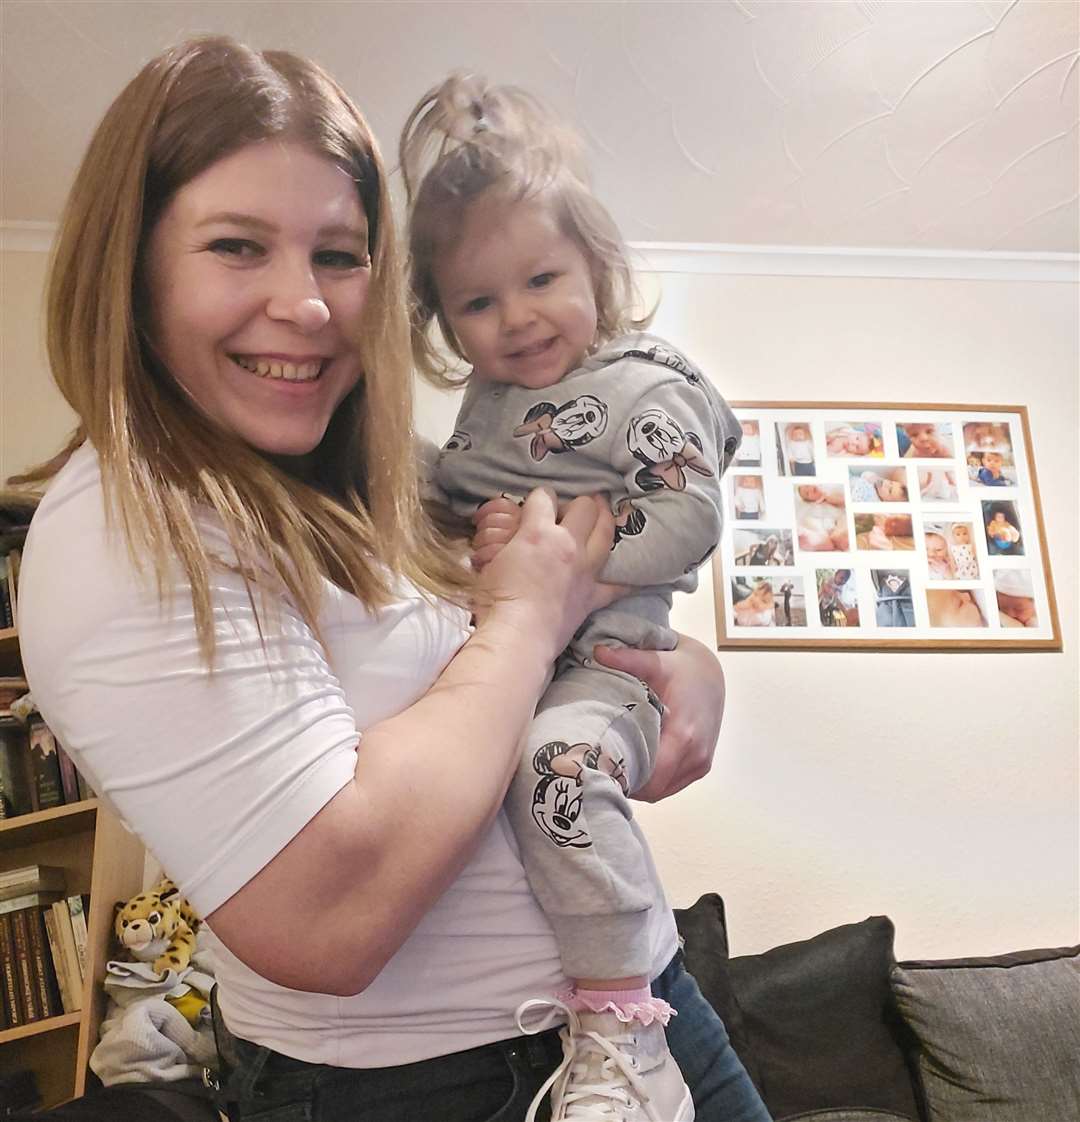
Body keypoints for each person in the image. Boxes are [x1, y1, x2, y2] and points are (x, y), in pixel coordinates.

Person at [10, 38, 766, 1122]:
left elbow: (511, 618)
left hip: (638, 1014)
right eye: (236, 246)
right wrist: (527, 615)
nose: (306, 305)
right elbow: (329, 917)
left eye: (338, 254)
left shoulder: (360, 480)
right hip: (438, 1084)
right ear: (129, 268)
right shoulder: (122, 527)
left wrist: (678, 661)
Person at [400, 74, 761, 1122]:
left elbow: (687, 512)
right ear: (443, 320)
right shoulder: (490, 412)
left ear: (596, 268)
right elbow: (442, 501)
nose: (515, 320)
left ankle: (621, 1021)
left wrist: (563, 587)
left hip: (608, 675)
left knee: (554, 772)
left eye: (541, 279)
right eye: (477, 302)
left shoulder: (642, 385)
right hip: (523, 672)